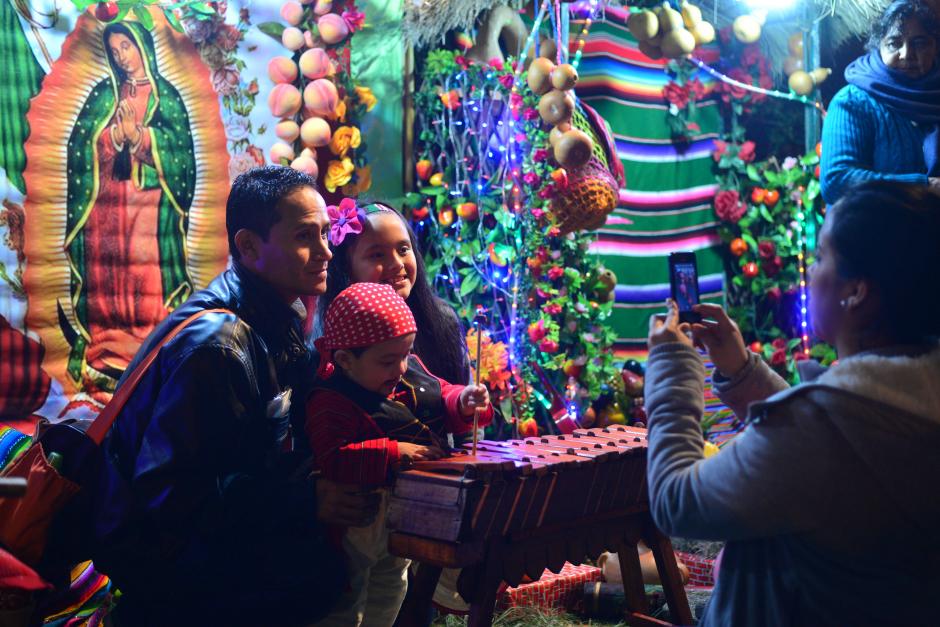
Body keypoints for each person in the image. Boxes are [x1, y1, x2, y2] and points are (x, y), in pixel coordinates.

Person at [82, 167, 380, 626]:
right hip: (179, 590)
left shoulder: (275, 315)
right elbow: (169, 500)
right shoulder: (218, 343)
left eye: (325, 233)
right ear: (247, 247)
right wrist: (304, 500)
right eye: (305, 236)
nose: (325, 251)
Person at [644, 181, 940, 626]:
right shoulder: (911, 402)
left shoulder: (820, 427)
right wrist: (742, 372)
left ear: (856, 291)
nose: (812, 270)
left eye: (821, 256)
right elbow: (833, 445)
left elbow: (676, 501)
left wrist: (670, 367)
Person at [306, 282, 491, 627]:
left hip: (399, 520)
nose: (402, 369)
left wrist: (463, 401)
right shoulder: (330, 402)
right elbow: (332, 458)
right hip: (354, 527)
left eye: (406, 355)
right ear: (345, 360)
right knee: (346, 606)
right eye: (389, 360)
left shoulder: (398, 374)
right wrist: (394, 452)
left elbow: (438, 396)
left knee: (390, 591)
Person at [64, 21, 197, 383]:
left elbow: (181, 154)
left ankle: (148, 347)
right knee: (108, 273)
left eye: (127, 46)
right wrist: (110, 137)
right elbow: (80, 146)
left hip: (149, 202)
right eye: (115, 49)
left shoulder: (165, 95)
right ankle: (105, 349)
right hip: (106, 203)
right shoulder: (103, 96)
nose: (122, 56)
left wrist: (141, 138)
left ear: (144, 47)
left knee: (143, 273)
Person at [315, 201, 470, 386]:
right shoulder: (330, 334)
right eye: (377, 255)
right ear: (347, 267)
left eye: (403, 249)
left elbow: (464, 395)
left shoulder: (442, 319)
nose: (397, 263)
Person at [820, 0, 940, 205]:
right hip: (870, 235)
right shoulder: (852, 102)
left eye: (919, 43)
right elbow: (836, 180)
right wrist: (925, 186)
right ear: (879, 46)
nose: (907, 54)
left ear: (935, 47)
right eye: (894, 43)